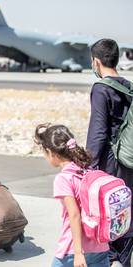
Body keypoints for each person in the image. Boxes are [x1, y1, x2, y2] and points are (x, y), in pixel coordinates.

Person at [34, 123, 110, 267]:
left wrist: (78, 253)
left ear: (51, 152)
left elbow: (74, 215)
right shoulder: (87, 171)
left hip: (73, 249)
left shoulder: (63, 179)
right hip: (100, 245)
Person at [86, 38, 133, 267]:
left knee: (110, 215)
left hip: (111, 163)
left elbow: (98, 131)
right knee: (126, 212)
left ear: (96, 62)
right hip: (130, 160)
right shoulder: (128, 85)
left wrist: (89, 167)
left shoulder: (101, 88)